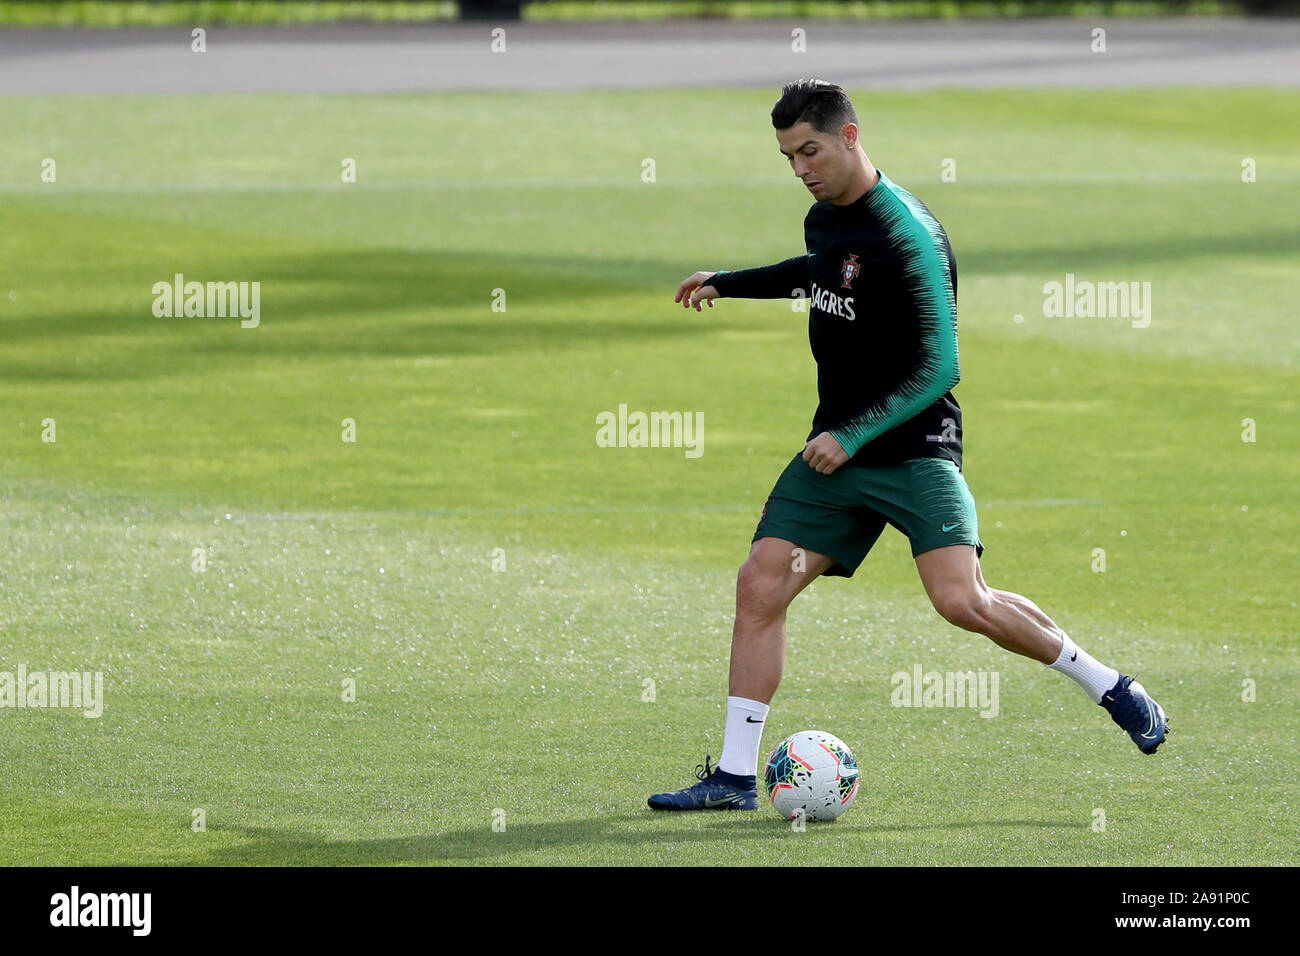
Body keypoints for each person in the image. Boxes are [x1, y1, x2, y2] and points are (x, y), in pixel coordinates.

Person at [648, 79, 1168, 813]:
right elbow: (819, 274)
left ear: (851, 136)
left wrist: (854, 435)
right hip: (835, 456)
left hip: (914, 450)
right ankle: (734, 777)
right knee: (760, 584)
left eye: (811, 151)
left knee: (963, 602)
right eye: (789, 156)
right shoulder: (825, 219)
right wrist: (727, 284)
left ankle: (1111, 686)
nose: (801, 168)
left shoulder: (910, 236)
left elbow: (941, 368)